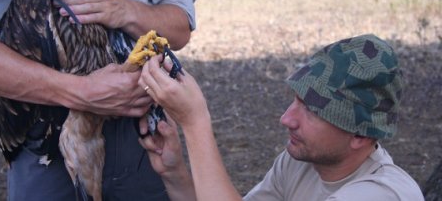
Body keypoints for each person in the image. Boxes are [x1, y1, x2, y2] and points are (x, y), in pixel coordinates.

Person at [0, 0, 198, 200]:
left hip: (144, 130)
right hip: (46, 128)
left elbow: (180, 30)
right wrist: (80, 91)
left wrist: (124, 10)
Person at [138, 34, 425, 200]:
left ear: (361, 135)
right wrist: (175, 174)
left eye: (312, 110)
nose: (287, 119)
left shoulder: (382, 195)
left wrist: (195, 123)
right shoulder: (303, 162)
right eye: (296, 100)